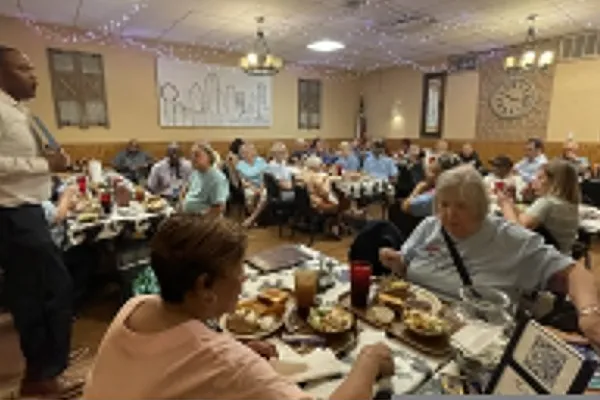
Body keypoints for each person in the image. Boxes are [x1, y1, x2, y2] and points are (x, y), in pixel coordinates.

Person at [84, 214, 394, 400]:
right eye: (238, 269)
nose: (245, 277)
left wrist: (233, 346)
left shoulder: (135, 305)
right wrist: (369, 360)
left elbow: (176, 364)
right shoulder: (227, 363)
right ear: (204, 285)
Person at [378, 166, 600, 349]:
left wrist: (589, 313)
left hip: (476, 344)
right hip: (414, 329)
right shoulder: (429, 227)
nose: (449, 214)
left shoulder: (510, 239)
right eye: (444, 205)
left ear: (480, 208)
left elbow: (575, 272)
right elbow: (406, 269)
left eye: (460, 206)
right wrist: (397, 262)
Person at [0, 45, 78, 397]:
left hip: (28, 210)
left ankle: (43, 373)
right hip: (13, 214)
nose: (34, 75)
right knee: (47, 294)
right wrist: (44, 165)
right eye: (24, 68)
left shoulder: (18, 111)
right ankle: (42, 378)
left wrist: (50, 160)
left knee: (43, 294)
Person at [499, 160, 580, 254]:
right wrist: (511, 205)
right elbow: (524, 218)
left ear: (555, 181)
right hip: (563, 256)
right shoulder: (568, 204)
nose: (534, 181)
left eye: (540, 178)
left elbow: (517, 232)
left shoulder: (547, 203)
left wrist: (505, 204)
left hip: (545, 260)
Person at [401, 153, 460, 218]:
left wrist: (419, 188)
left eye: (432, 171)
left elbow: (406, 206)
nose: (428, 175)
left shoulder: (435, 197)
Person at [182, 142, 229, 216]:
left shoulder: (217, 178)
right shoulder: (196, 173)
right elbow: (185, 190)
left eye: (197, 155)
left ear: (209, 157)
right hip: (189, 216)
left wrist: (198, 218)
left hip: (204, 221)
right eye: (192, 155)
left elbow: (219, 209)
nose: (193, 158)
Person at [236, 143, 268, 228]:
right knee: (249, 196)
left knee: (264, 195)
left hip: (263, 185)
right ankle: (255, 218)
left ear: (253, 152)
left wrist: (261, 188)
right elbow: (243, 181)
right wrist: (253, 188)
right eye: (243, 152)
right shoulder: (240, 165)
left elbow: (265, 176)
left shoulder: (261, 161)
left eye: (248, 151)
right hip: (250, 186)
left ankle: (251, 219)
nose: (245, 154)